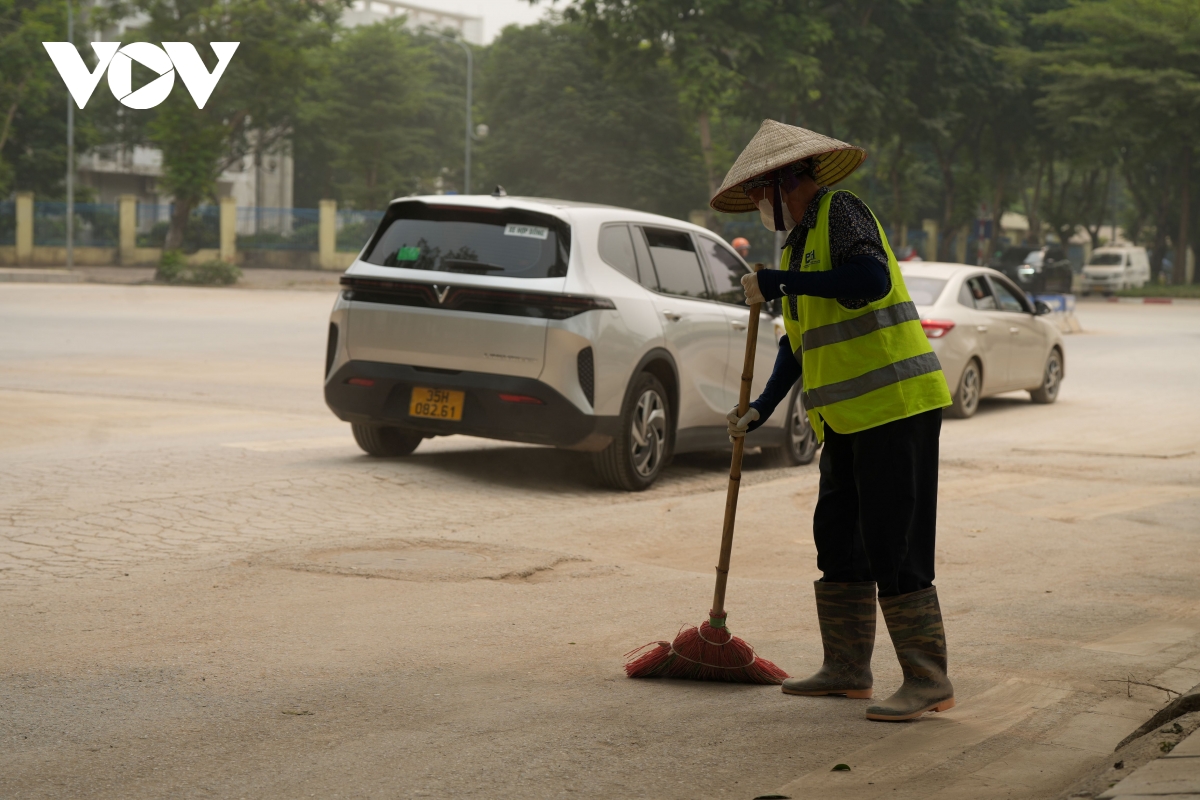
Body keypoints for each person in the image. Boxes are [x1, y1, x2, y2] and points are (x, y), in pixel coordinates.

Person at [711, 119, 956, 722]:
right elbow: (799, 345)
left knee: (894, 541)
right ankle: (848, 668)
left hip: (897, 405)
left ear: (781, 183)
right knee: (838, 537)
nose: (761, 211)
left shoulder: (839, 210)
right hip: (844, 420)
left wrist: (782, 281)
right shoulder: (794, 245)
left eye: (761, 198)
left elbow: (870, 281)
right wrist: (760, 409)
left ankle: (929, 680)